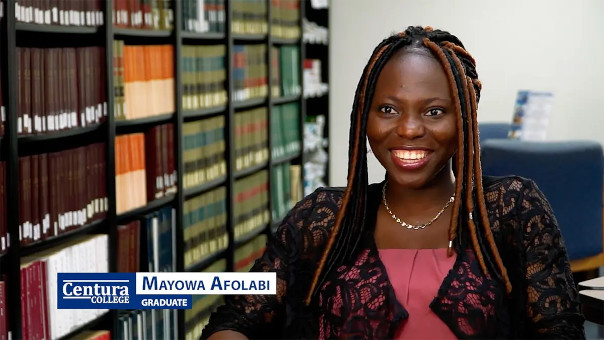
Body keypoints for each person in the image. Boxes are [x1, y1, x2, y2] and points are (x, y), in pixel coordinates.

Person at [201, 26, 585, 339]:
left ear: (464, 118)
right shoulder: (321, 218)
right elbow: (237, 320)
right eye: (388, 109)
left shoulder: (512, 209)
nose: (408, 128)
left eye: (434, 111)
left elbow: (560, 330)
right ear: (364, 117)